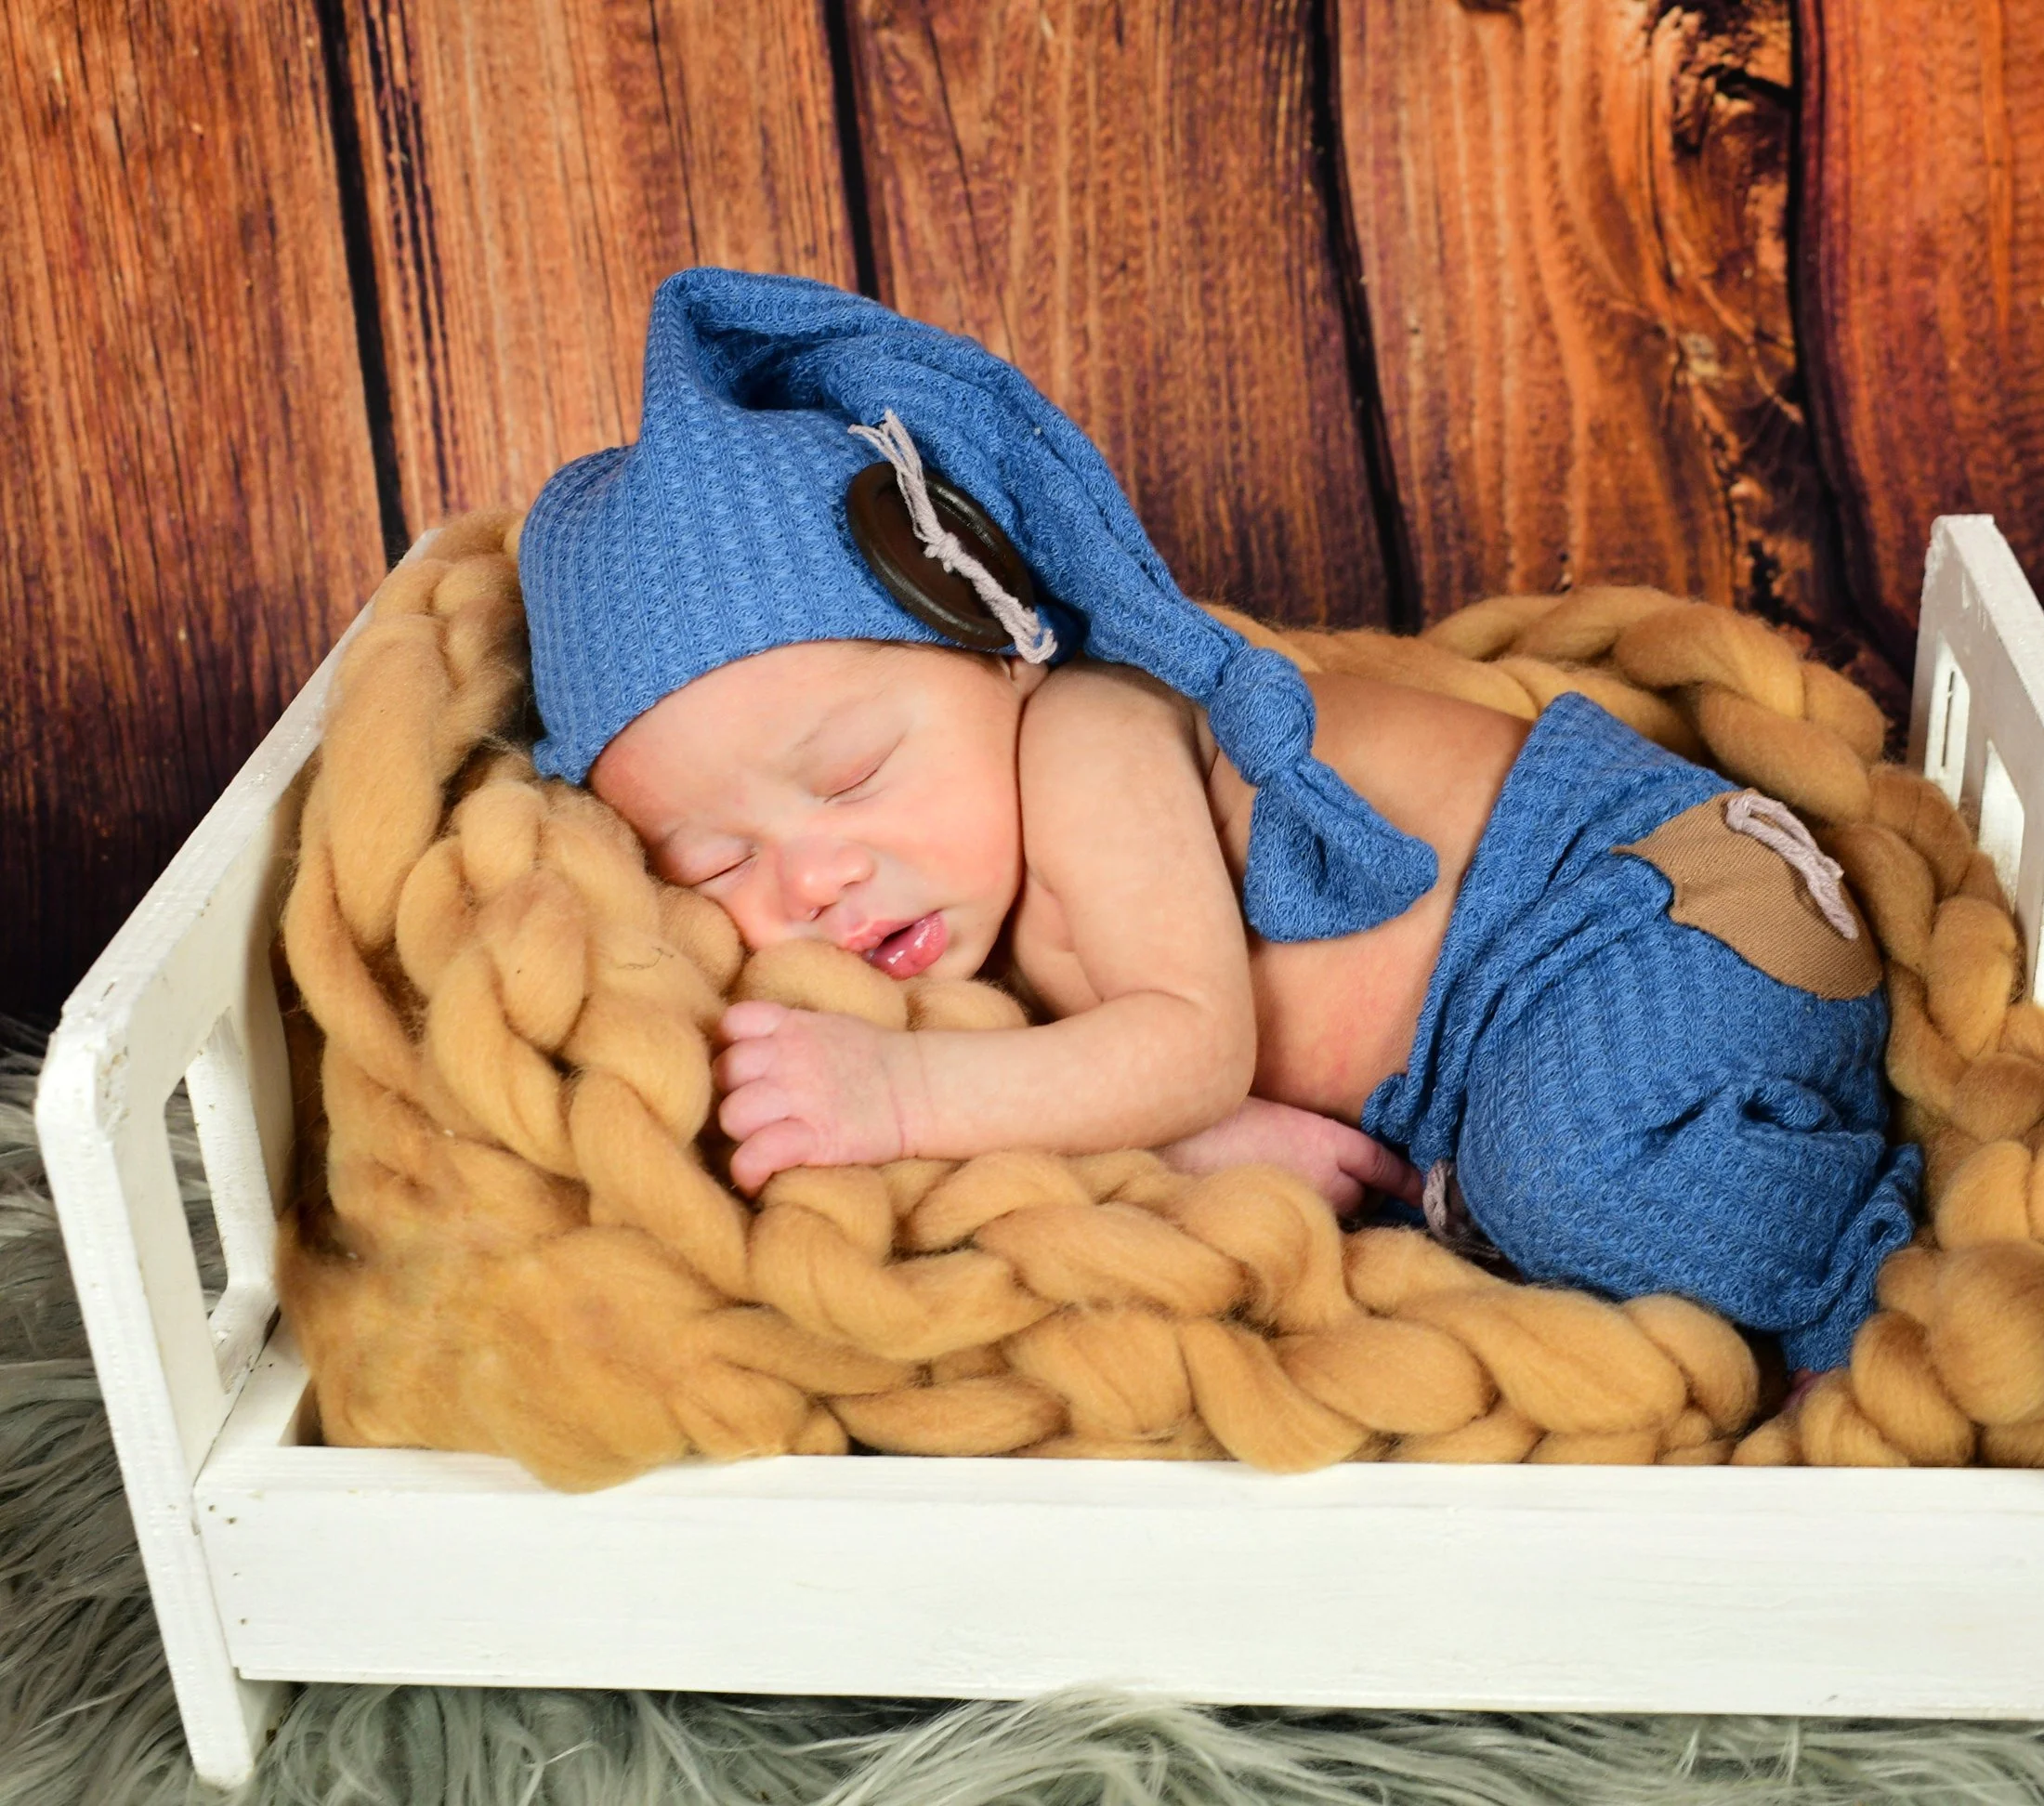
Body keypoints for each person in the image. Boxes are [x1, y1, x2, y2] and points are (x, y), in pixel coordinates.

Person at [520, 268, 1919, 1373]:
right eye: (713, 862)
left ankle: (1858, 1269)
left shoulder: (1086, 740)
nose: (814, 877)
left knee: (1562, 1190)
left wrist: (896, 1101)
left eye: (850, 777)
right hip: (1530, 1020)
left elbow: (1187, 1037)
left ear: (1003, 643)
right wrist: (1206, 1141)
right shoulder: (961, 904)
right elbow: (1149, 1069)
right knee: (1528, 1196)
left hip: (1648, 914)